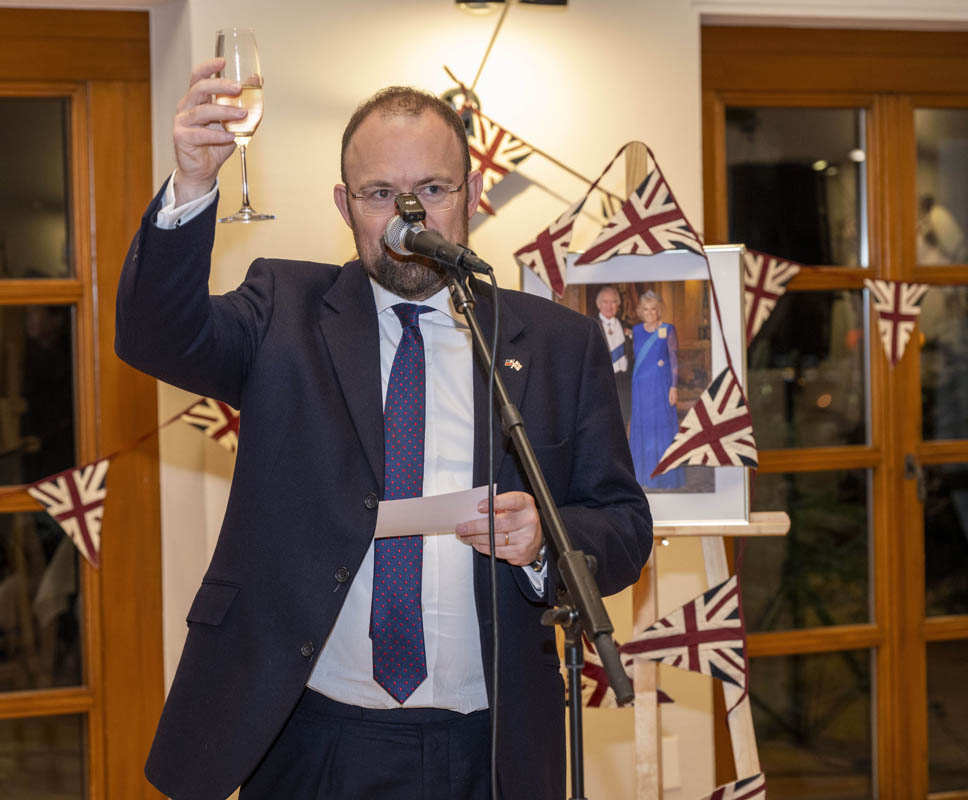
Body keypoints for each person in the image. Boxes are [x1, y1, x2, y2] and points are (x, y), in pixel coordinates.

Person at [115, 58, 652, 800]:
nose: (408, 217)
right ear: (345, 205)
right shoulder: (283, 310)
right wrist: (192, 184)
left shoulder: (559, 344)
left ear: (472, 194)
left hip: (492, 742)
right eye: (379, 194)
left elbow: (623, 526)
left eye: (432, 189)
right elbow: (158, 337)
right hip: (312, 737)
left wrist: (543, 544)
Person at [628, 290, 684, 489]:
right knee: (643, 426)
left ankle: (665, 477)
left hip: (661, 385)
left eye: (653, 308)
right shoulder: (635, 331)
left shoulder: (668, 329)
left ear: (659, 310)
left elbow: (674, 360)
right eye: (645, 309)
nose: (650, 312)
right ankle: (643, 476)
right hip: (640, 387)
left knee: (662, 426)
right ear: (640, 311)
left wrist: (674, 387)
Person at [594, 286, 632, 423]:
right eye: (605, 302)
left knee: (623, 420)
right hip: (601, 382)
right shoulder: (590, 326)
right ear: (598, 304)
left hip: (624, 383)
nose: (610, 306)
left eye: (613, 302)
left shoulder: (627, 326)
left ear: (618, 304)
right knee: (603, 421)